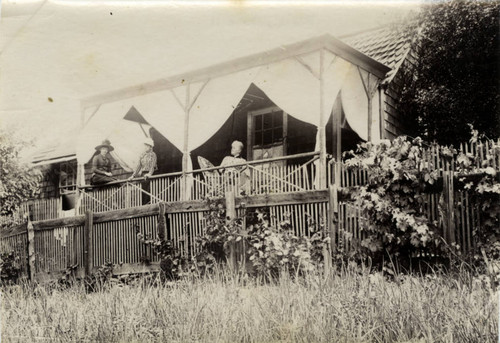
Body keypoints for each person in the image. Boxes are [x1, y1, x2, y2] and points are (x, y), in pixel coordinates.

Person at [128, 137, 157, 204]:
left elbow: (153, 165)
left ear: (150, 147)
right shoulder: (142, 155)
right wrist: (133, 176)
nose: (146, 147)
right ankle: (144, 205)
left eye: (147, 146)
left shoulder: (153, 154)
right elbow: (139, 166)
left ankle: (150, 204)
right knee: (143, 191)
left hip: (151, 174)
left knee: (150, 190)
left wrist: (149, 174)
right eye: (145, 145)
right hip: (143, 174)